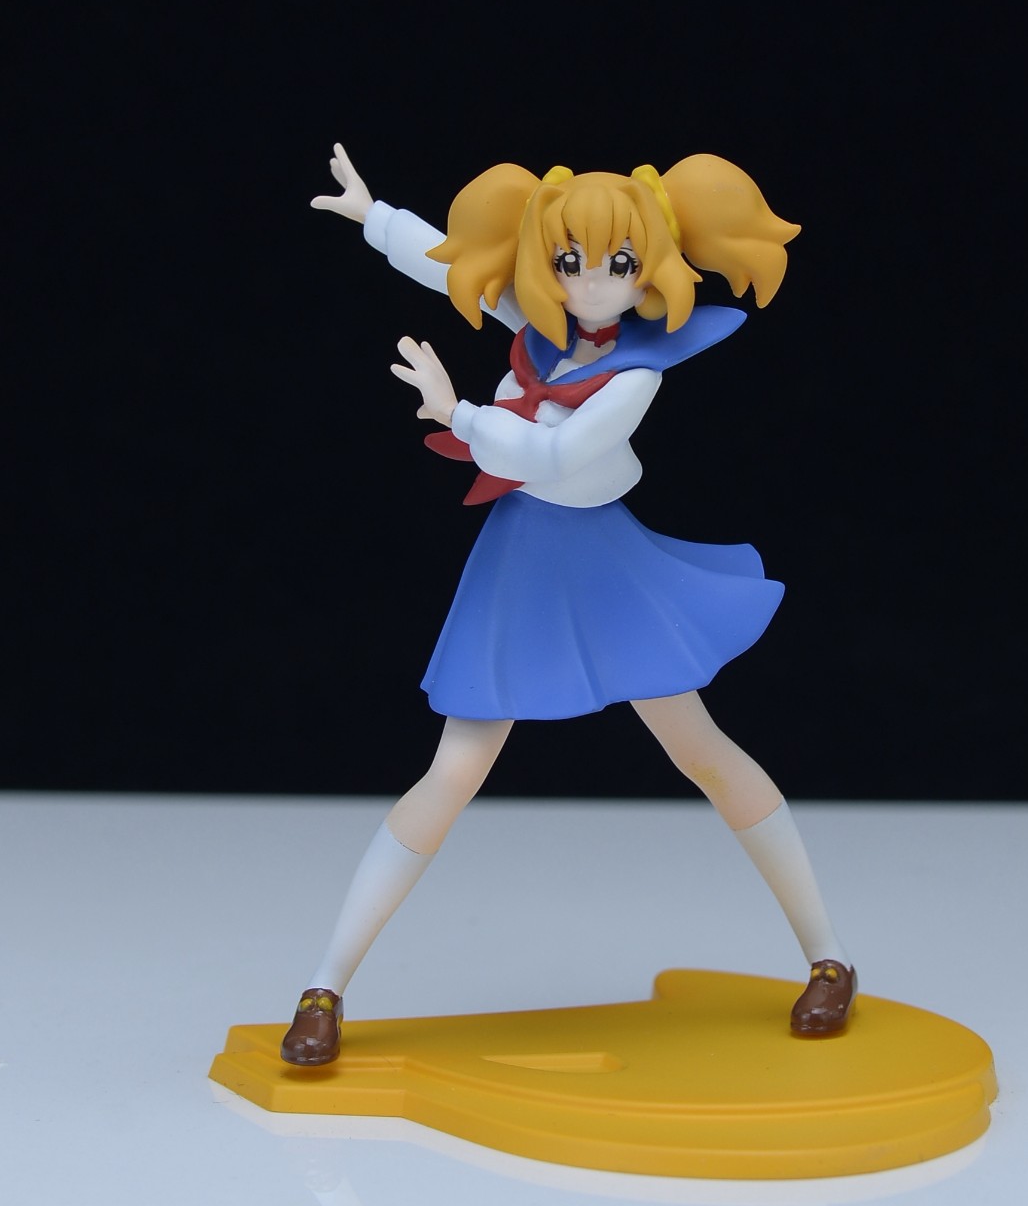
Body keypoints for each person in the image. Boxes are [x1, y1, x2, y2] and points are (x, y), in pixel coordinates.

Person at [281, 145, 856, 1065]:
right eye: (569, 260)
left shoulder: (638, 369)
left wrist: (458, 412)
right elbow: (451, 267)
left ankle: (829, 958)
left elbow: (556, 456)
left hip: (606, 567)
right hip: (521, 564)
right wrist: (373, 215)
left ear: (651, 266)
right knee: (453, 770)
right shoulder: (539, 322)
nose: (590, 282)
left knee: (702, 750)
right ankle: (325, 986)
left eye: (617, 263)